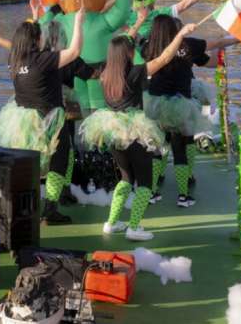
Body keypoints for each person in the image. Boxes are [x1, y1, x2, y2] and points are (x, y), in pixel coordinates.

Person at [80, 22, 196, 241]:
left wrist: (133, 27)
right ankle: (134, 227)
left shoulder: (105, 75)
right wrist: (180, 34)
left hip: (113, 131)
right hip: (135, 131)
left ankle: (111, 223)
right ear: (128, 54)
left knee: (125, 178)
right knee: (144, 182)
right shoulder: (135, 73)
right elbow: (164, 59)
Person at [0, 5, 85, 224]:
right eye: (40, 37)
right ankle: (50, 209)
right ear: (36, 40)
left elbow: (13, 46)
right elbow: (75, 51)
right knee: (59, 161)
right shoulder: (43, 60)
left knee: (28, 165)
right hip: (48, 120)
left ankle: (26, 206)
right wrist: (78, 21)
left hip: (21, 121)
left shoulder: (15, 60)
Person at [142, 15, 214, 207]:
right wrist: (236, 40)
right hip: (180, 104)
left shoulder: (149, 47)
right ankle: (183, 195)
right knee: (180, 147)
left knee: (158, 146)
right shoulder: (188, 46)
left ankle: (153, 191)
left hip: (155, 103)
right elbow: (213, 46)